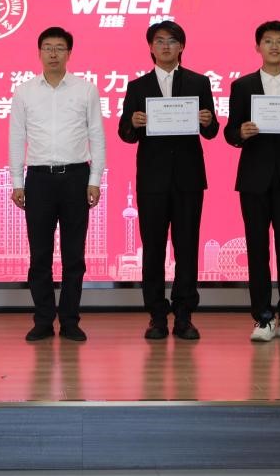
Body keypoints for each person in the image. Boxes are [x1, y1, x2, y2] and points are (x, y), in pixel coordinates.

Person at [118, 20, 218, 340]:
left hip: (189, 179)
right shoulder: (138, 87)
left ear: (181, 47)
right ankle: (157, 316)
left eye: (172, 41)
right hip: (152, 180)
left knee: (187, 247)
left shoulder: (199, 82)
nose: (165, 46)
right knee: (153, 250)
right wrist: (133, 122)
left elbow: (212, 131)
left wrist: (207, 120)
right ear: (150, 47)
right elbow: (125, 133)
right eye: (159, 41)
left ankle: (185, 315)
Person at [9, 27, 106, 342]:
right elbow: (17, 138)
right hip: (38, 179)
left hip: (76, 177)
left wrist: (95, 180)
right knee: (40, 255)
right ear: (39, 52)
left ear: (69, 53)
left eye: (60, 48)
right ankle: (42, 320)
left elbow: (97, 136)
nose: (53, 53)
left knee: (74, 255)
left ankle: (70, 320)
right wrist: (17, 181)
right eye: (48, 48)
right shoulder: (24, 92)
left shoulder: (86, 90)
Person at [223, 21, 280, 343]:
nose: (274, 46)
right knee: (257, 249)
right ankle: (262, 317)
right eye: (268, 41)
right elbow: (230, 131)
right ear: (257, 47)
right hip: (254, 178)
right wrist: (241, 132)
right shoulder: (242, 86)